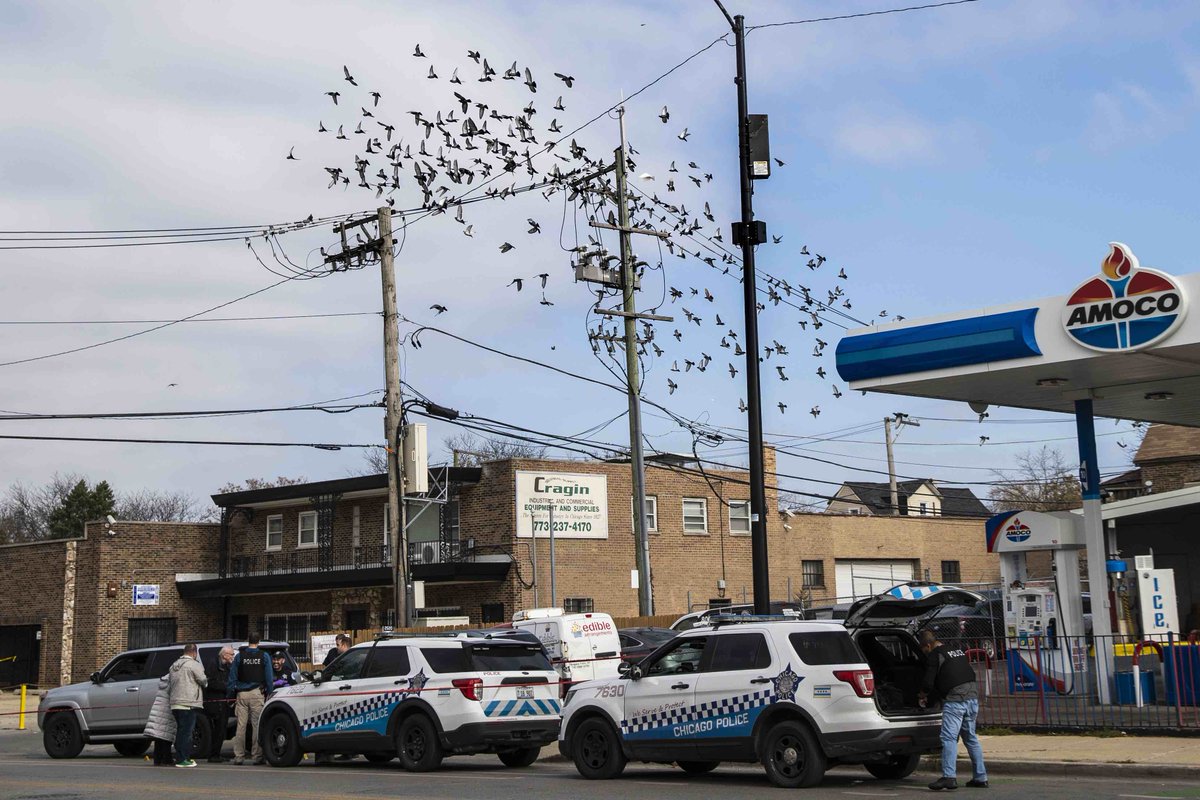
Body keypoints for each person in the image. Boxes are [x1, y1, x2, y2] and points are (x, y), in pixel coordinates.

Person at [920, 630, 987, 791]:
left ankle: (949, 777)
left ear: (928, 645)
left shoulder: (935, 654)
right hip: (972, 697)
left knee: (948, 738)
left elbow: (929, 683)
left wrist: (922, 694)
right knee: (970, 738)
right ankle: (980, 777)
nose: (925, 653)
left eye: (924, 650)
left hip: (956, 700)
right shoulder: (956, 650)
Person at [228, 633, 274, 765]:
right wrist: (269, 693)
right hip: (256, 693)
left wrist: (230, 693)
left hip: (241, 694)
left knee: (240, 726)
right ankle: (257, 755)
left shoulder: (239, 656)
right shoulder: (263, 656)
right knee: (256, 726)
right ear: (258, 642)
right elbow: (269, 678)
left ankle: (239, 756)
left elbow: (232, 677)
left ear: (248, 641)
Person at [168, 643, 207, 769]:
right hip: (188, 703)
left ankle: (179, 756)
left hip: (175, 703)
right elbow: (203, 680)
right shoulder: (194, 665)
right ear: (194, 653)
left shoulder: (174, 665)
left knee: (180, 732)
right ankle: (183, 759)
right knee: (187, 733)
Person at [204, 646, 235, 762]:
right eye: (231, 654)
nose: (232, 657)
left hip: (223, 703)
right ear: (224, 655)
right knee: (217, 730)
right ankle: (213, 755)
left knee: (221, 730)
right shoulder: (213, 664)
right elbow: (210, 683)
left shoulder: (227, 666)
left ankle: (216, 754)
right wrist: (227, 687)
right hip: (215, 703)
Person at [143, 670, 176, 766]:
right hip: (166, 709)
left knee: (159, 736)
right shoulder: (173, 680)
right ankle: (167, 759)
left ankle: (157, 759)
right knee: (166, 736)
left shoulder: (164, 680)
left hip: (158, 708)